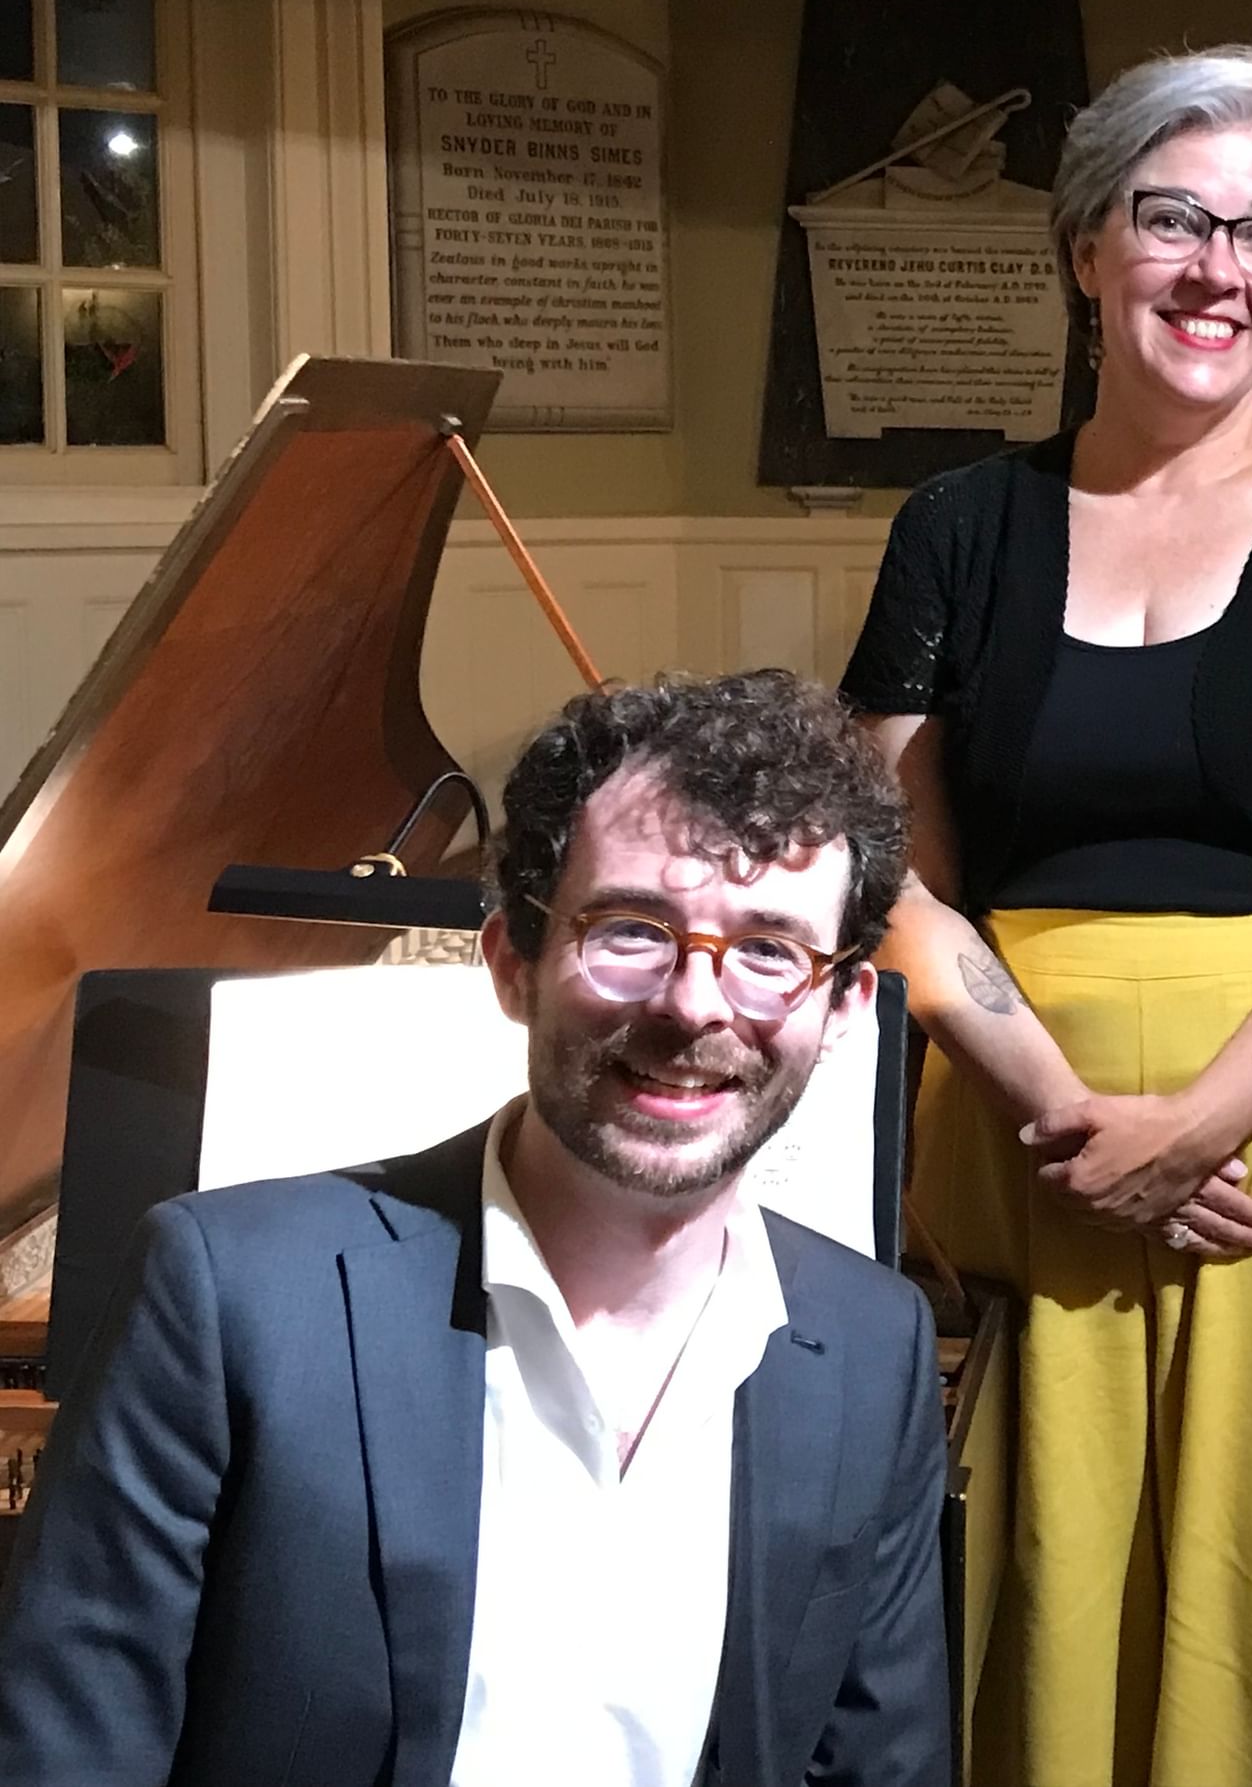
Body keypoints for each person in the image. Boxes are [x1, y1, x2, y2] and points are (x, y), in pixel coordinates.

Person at [841, 47, 1252, 1786]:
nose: (1219, 268)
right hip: (1019, 1162)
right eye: (1174, 219)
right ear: (1086, 247)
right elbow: (892, 872)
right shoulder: (962, 525)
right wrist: (1068, 1116)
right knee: (1044, 1616)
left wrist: (1194, 1126)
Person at [0, 670, 948, 1787]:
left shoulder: (874, 1343)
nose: (695, 1005)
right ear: (511, 965)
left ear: (841, 1011)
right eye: (630, 930)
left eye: (769, 951)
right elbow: (68, 1755)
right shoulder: (228, 1295)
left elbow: (878, 1763)